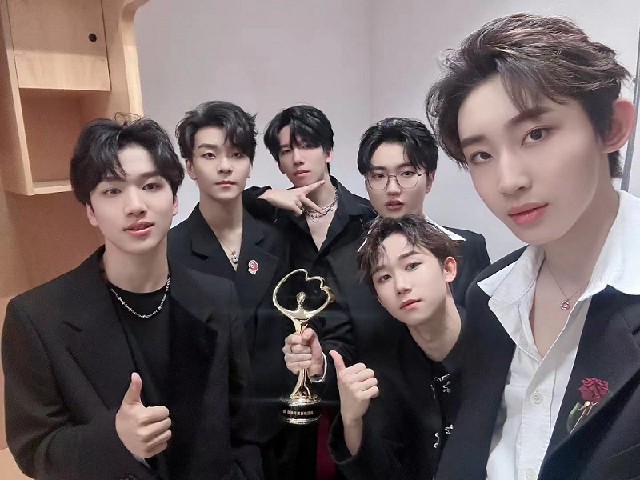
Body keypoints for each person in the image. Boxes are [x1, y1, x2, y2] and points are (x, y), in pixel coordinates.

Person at [425, 13, 638, 480]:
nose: (509, 181)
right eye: (481, 155)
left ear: (612, 127)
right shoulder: (490, 296)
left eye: (536, 134)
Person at [2, 116, 262, 480]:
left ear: (174, 200)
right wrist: (115, 440)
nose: (135, 205)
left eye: (151, 186)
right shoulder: (36, 318)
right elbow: (35, 449)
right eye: (112, 191)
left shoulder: (217, 296)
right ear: (90, 211)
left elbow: (245, 425)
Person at [168, 101, 295, 479]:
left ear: (250, 165)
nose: (225, 166)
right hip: (212, 435)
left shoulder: (276, 240)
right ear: (190, 166)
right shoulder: (171, 251)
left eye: (237, 154)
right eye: (209, 155)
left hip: (281, 425)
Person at [246, 104, 367, 478]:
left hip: (353, 371)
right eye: (285, 151)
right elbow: (223, 203)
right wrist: (266, 195)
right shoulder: (271, 218)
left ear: (328, 151)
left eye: (307, 145)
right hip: (288, 375)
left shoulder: (365, 219)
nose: (297, 158)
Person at [328, 117, 490, 364]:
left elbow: (486, 333)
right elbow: (339, 346)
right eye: (379, 176)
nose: (392, 188)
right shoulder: (342, 263)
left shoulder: (469, 247)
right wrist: (320, 364)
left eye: (407, 173)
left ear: (430, 179)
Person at [329, 215, 463, 480]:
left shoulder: (495, 344)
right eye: (384, 277)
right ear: (379, 299)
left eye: (412, 265)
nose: (401, 286)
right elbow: (377, 472)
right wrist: (351, 419)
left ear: (448, 269)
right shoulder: (382, 369)